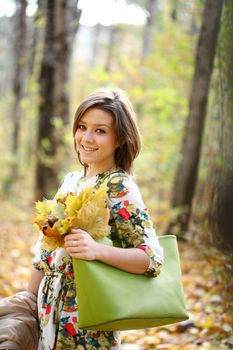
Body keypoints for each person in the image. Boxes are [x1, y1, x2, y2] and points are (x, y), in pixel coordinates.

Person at [28, 88, 164, 349]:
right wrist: (26, 302)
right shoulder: (70, 181)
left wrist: (97, 251)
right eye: (82, 127)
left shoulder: (119, 187)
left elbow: (152, 260)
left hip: (88, 325)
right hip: (47, 316)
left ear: (120, 139)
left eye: (100, 131)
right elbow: (43, 254)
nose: (86, 138)